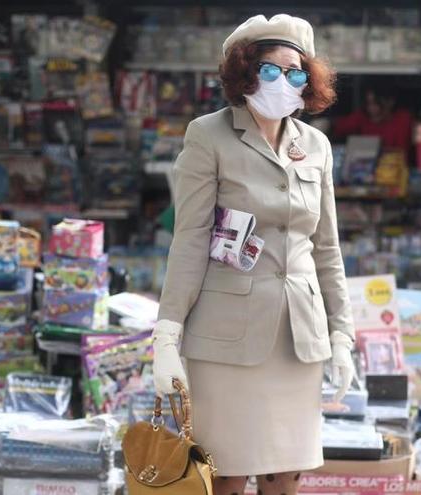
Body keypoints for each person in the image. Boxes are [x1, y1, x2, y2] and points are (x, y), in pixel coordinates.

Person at [151, 14, 356, 495]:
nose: (284, 82)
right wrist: (165, 337)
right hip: (226, 338)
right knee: (226, 474)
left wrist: (343, 335)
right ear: (244, 73)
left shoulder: (317, 146)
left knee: (285, 476)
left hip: (297, 336)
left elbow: (326, 247)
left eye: (296, 72)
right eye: (271, 70)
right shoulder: (209, 135)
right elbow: (191, 239)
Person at [333, 78, 413, 149]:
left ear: (390, 101)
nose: (371, 108)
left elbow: (401, 148)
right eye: (368, 103)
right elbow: (337, 127)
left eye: (376, 103)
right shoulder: (362, 117)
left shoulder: (403, 119)